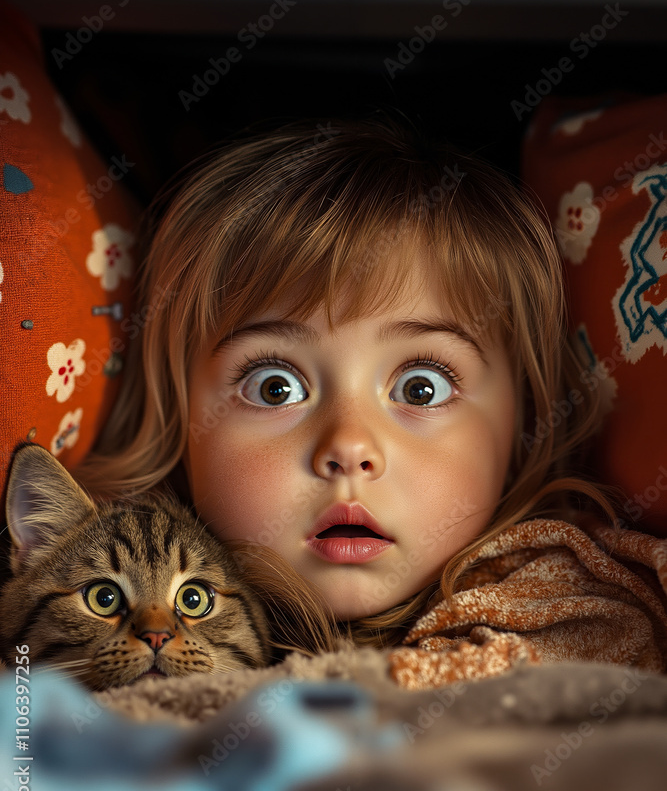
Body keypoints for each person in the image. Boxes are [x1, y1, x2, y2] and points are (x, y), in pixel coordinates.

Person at [76, 115, 614, 653]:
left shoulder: (581, 622)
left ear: (520, 423)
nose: (349, 447)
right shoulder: (72, 634)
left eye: (421, 388)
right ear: (181, 428)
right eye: (274, 388)